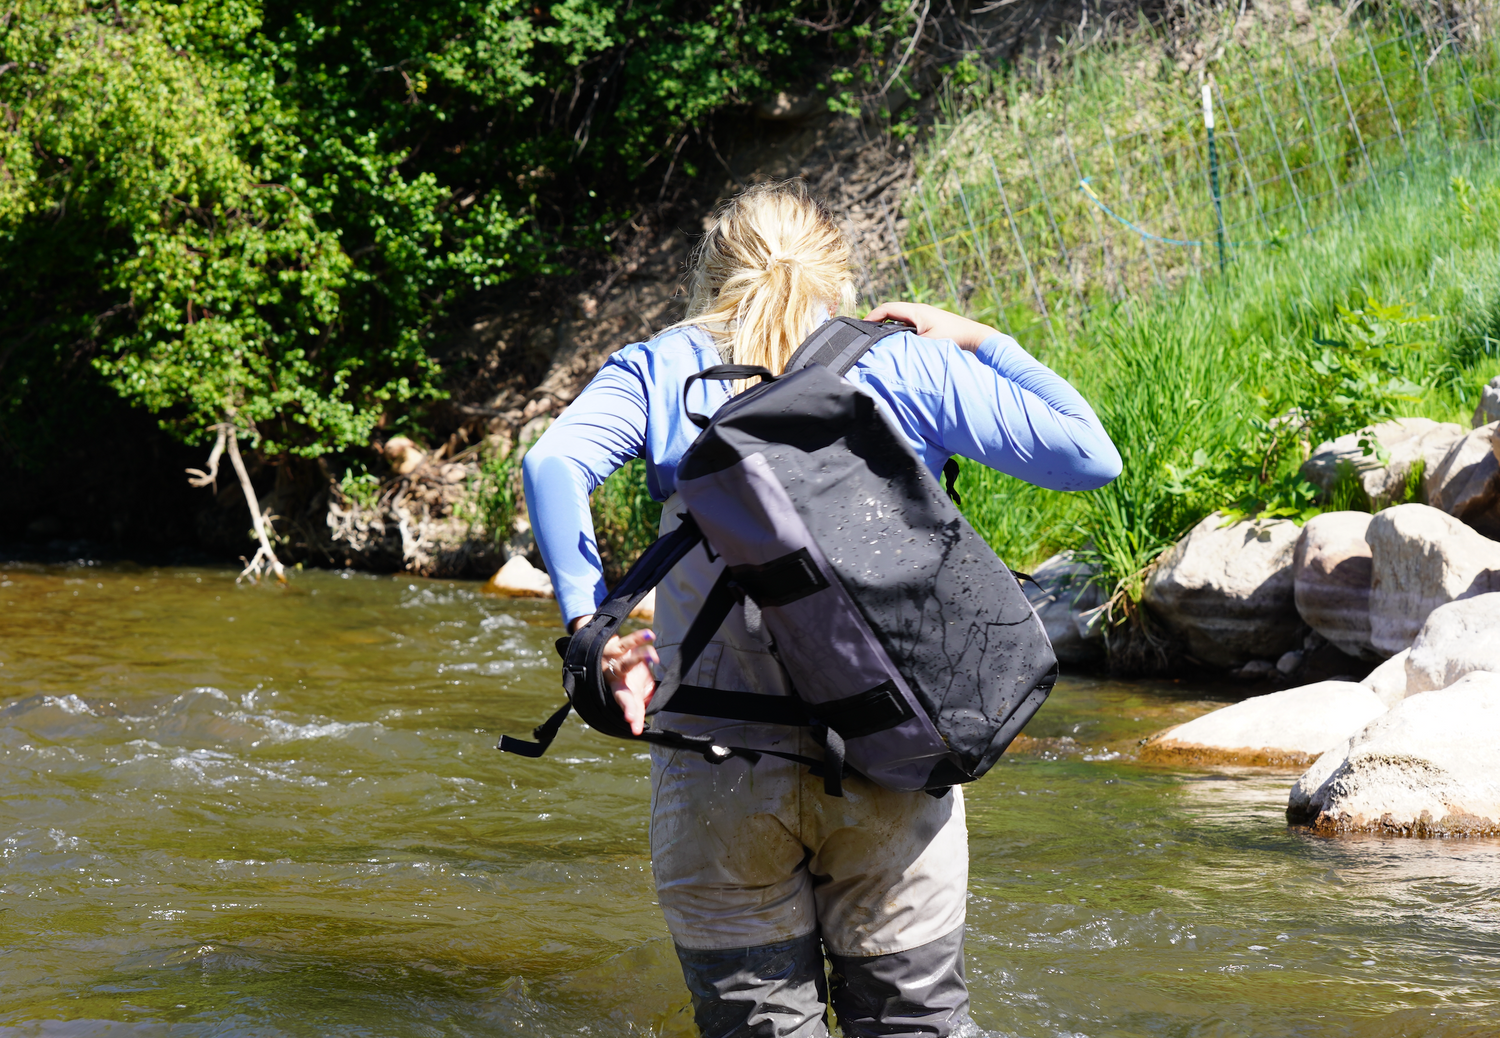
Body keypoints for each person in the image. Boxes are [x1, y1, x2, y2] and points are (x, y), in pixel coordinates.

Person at [522, 180, 1120, 1038]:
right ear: (839, 275)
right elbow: (1089, 455)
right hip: (892, 747)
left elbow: (552, 466)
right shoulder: (908, 361)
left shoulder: (662, 366)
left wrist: (594, 632)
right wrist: (981, 338)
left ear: (712, 273)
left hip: (718, 766)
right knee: (919, 1028)